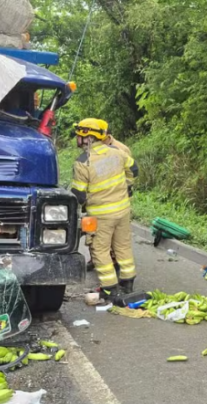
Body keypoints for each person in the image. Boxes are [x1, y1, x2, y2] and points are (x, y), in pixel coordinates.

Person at [70, 118, 140, 298]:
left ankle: (110, 288)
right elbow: (134, 169)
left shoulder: (83, 162)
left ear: (88, 138)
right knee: (122, 246)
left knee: (99, 250)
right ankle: (127, 282)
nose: (76, 139)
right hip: (123, 211)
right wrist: (127, 185)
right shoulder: (117, 153)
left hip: (100, 216)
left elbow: (79, 195)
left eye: (79, 135)